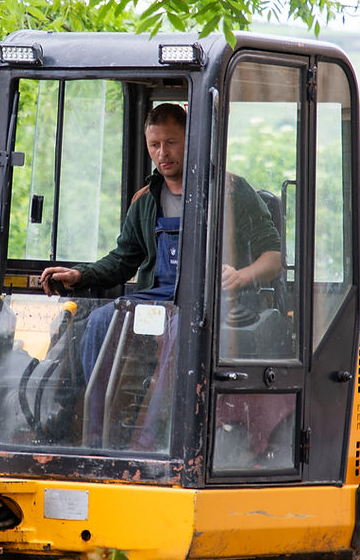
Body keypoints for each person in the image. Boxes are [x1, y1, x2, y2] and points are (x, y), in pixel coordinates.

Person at [39, 102, 282, 381]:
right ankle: (94, 419)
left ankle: (160, 421)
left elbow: (273, 258)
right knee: (99, 320)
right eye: (154, 144)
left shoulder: (232, 191)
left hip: (217, 303)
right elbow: (122, 260)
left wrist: (240, 276)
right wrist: (81, 274)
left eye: (171, 143)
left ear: (190, 140)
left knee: (183, 328)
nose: (162, 153)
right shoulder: (145, 200)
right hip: (157, 301)